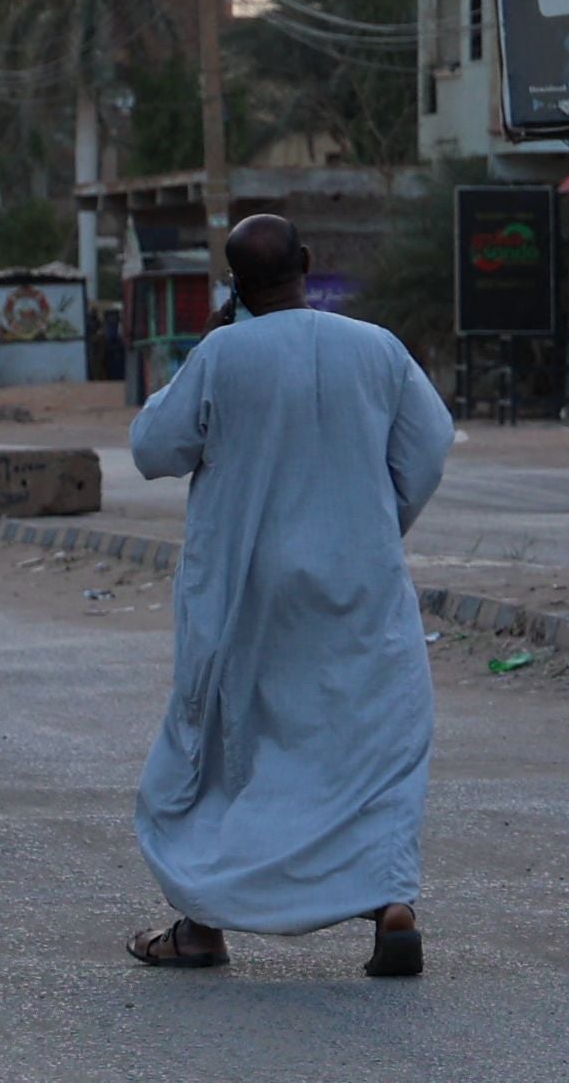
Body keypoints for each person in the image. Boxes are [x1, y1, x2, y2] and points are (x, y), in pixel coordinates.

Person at [122, 211, 454, 979]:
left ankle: (202, 925)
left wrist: (209, 344)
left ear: (235, 285)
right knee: (372, 747)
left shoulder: (221, 352)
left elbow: (153, 448)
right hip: (360, 588)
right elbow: (428, 447)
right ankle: (391, 907)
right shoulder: (377, 348)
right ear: (307, 260)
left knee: (233, 758)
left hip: (248, 597)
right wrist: (375, 527)